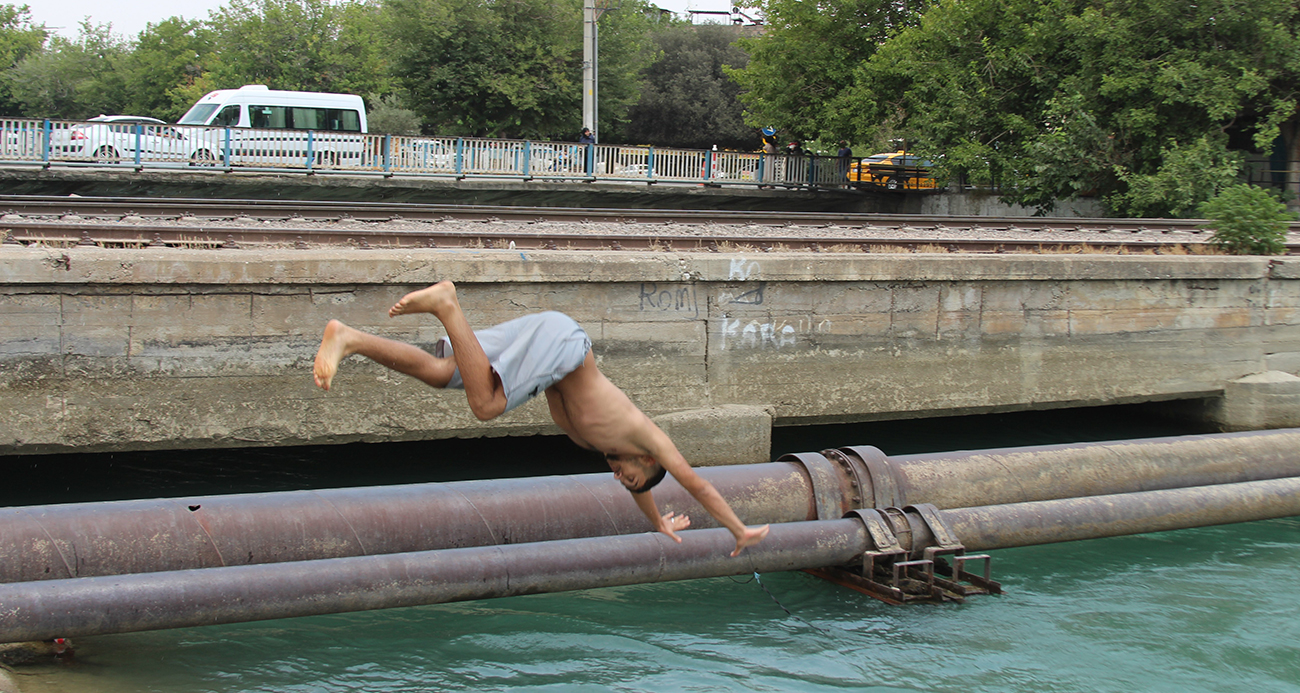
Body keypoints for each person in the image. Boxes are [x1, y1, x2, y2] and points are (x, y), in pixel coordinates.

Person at [313, 281, 771, 557]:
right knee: (486, 406)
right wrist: (739, 528)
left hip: (549, 338)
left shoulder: (604, 446)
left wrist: (658, 524)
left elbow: (643, 493)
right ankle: (447, 304)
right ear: (648, 461)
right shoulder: (647, 436)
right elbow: (697, 484)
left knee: (438, 373)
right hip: (563, 344)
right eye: (629, 477)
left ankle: (349, 338)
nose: (619, 477)